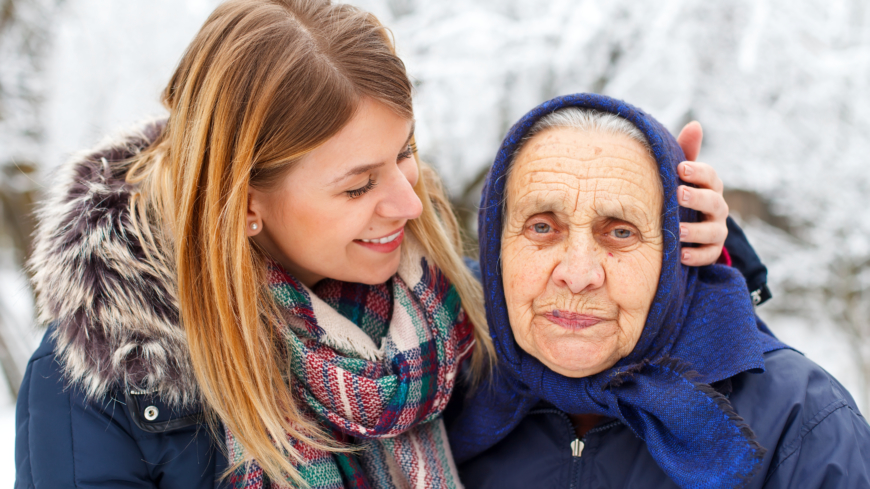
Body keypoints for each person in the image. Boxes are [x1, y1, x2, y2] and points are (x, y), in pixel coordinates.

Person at [16, 2, 743, 489]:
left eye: (404, 154)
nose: (405, 200)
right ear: (245, 207)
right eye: (357, 184)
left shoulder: (454, 309)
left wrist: (692, 244)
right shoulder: (106, 382)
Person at [449, 94, 870, 488]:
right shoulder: (434, 385)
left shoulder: (801, 421)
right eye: (542, 227)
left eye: (619, 231)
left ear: (674, 255)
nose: (578, 275)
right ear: (494, 246)